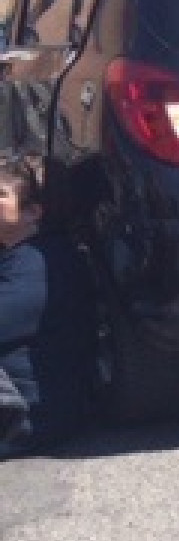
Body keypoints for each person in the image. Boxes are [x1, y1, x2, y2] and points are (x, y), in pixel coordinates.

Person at [0, 155, 88, 457]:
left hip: (28, 413)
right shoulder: (23, 256)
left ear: (33, 213)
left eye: (1, 194)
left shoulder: (39, 261)